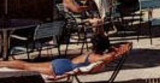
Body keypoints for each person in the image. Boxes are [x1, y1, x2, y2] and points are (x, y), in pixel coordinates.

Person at [0, 34, 131, 78]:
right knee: (26, 67)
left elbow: (114, 53)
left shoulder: (91, 54)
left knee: (25, 65)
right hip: (60, 69)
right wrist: (117, 51)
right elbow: (109, 57)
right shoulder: (98, 58)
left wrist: (116, 50)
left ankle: (2, 63)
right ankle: (2, 64)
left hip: (62, 63)